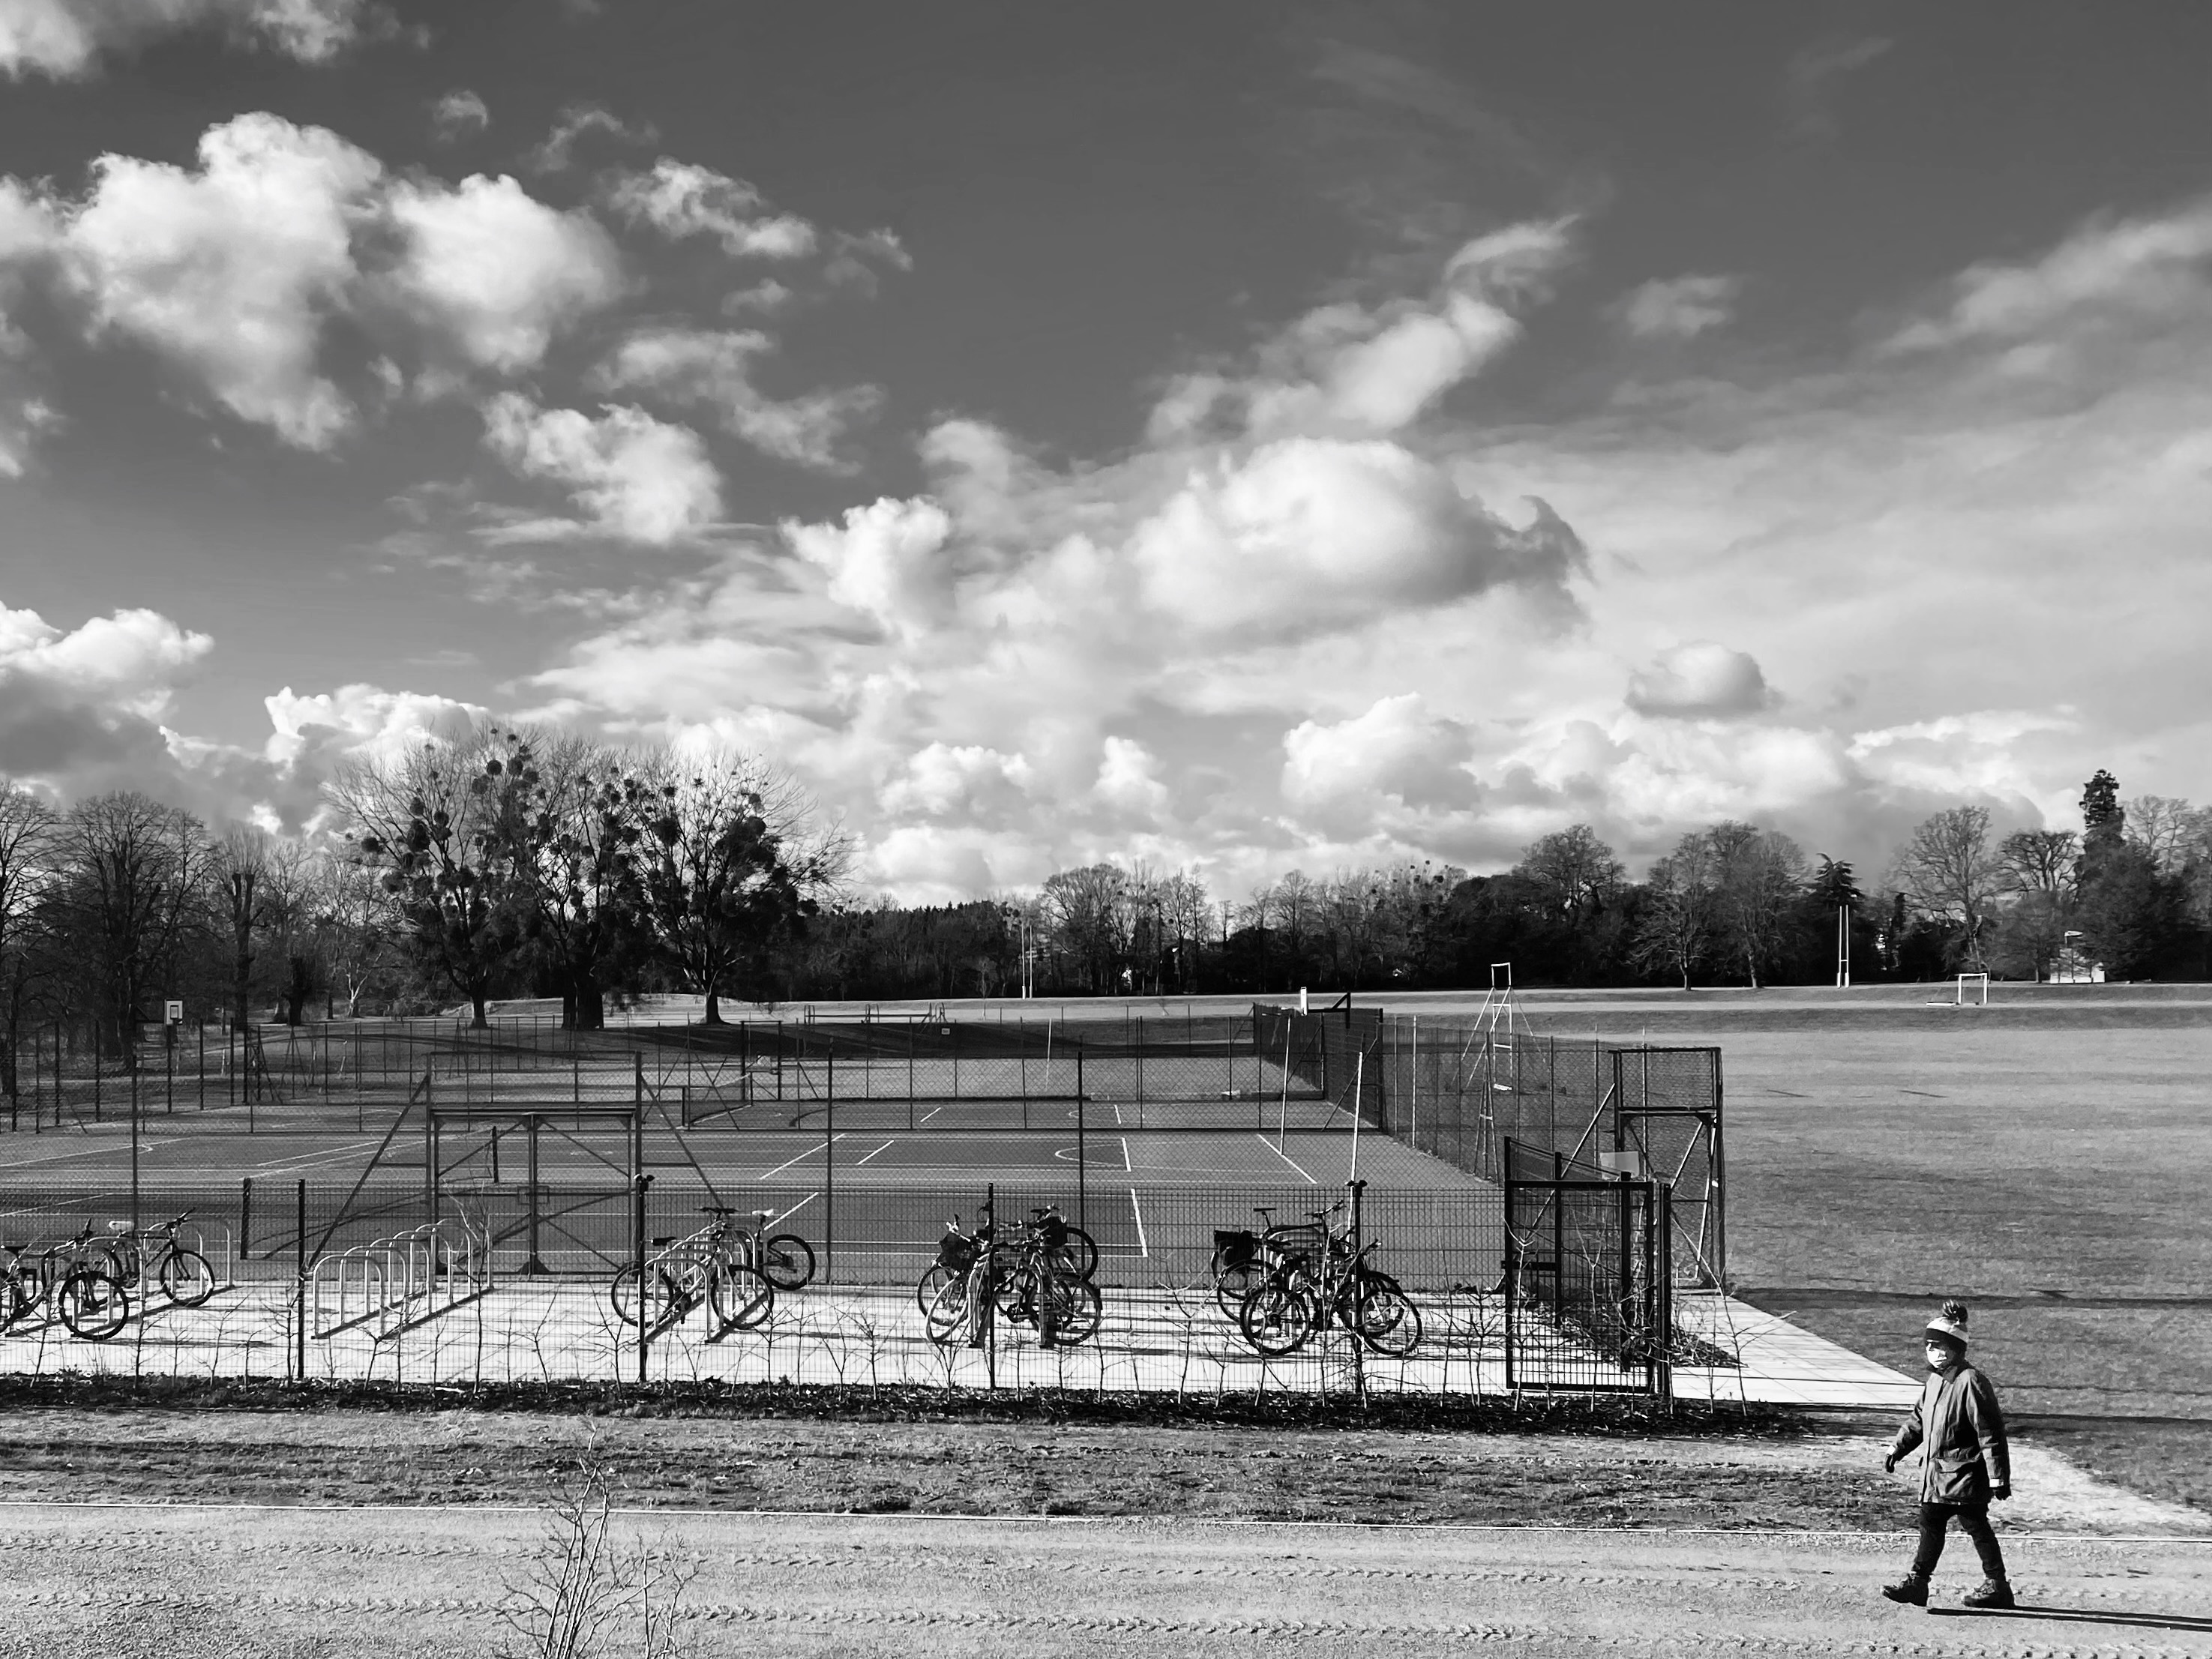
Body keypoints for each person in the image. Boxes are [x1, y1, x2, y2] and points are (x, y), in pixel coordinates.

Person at [1881, 1300, 2014, 1610]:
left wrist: (1998, 1478)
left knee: (1977, 1528)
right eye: (1928, 1345)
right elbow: (1918, 1420)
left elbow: (1990, 1432)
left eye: (1939, 1345)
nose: (1933, 1351)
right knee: (1930, 1527)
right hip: (1935, 1476)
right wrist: (1896, 1448)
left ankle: (1997, 1586)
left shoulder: (1971, 1382)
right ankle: (1918, 1584)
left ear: (1955, 1349)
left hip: (1965, 1476)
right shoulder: (1934, 1381)